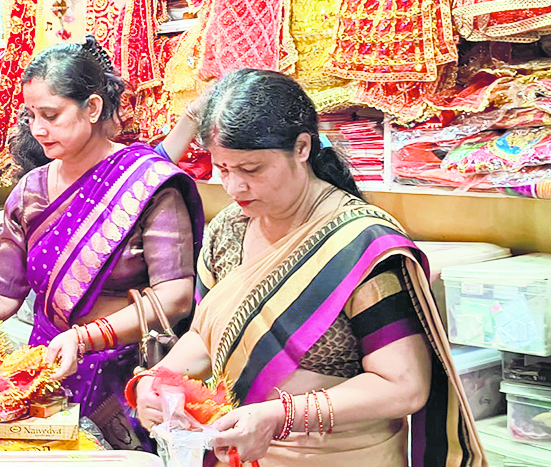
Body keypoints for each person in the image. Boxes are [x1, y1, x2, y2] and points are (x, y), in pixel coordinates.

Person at [128, 69, 485, 466]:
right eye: (223, 169)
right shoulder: (228, 229)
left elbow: (404, 386)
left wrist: (278, 416)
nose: (234, 187)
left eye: (251, 169)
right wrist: (158, 379)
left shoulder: (359, 243)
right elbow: (207, 335)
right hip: (243, 449)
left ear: (301, 147)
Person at [0, 42, 207, 450]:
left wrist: (85, 339)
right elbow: (2, 295)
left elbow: (175, 296)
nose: (37, 130)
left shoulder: (147, 185)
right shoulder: (30, 190)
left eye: (51, 116)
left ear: (92, 108)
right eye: (31, 116)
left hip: (126, 384)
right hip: (47, 376)